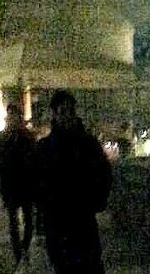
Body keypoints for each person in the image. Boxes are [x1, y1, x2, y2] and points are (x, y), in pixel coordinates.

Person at [35, 89, 112, 274]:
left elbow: (104, 174)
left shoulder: (88, 144)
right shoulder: (45, 148)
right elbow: (37, 184)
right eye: (63, 111)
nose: (68, 116)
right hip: (58, 222)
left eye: (71, 110)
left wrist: (96, 200)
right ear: (55, 114)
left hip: (83, 219)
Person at [0, 102, 36, 270]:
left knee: (30, 222)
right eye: (10, 117)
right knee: (13, 223)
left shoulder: (28, 137)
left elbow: (35, 161)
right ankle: (19, 255)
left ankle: (24, 248)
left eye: (15, 116)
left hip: (27, 185)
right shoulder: (1, 138)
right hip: (10, 185)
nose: (12, 120)